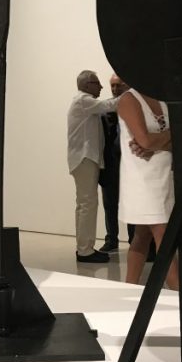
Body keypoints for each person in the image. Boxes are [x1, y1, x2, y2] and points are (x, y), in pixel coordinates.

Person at [118, 88, 179, 289]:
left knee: (142, 235)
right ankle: (178, 294)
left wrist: (157, 142)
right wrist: (170, 138)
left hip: (164, 175)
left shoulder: (163, 99)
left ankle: (129, 287)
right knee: (163, 234)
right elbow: (144, 141)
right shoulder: (128, 99)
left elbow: (180, 136)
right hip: (142, 179)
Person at [67, 70, 118, 263]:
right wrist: (132, 95)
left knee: (84, 205)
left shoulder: (83, 102)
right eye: (97, 83)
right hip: (85, 158)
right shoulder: (83, 100)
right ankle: (85, 251)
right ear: (87, 85)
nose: (102, 87)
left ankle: (84, 247)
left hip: (83, 159)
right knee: (88, 204)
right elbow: (109, 105)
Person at [99, 74, 135, 253]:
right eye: (112, 86)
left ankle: (134, 240)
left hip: (130, 164)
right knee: (110, 204)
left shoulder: (134, 107)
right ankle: (111, 239)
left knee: (132, 203)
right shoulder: (105, 109)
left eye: (118, 85)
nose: (115, 89)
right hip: (110, 163)